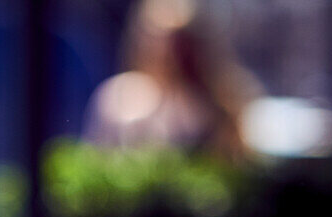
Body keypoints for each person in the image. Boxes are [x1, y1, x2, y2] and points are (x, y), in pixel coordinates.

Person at [83, 0, 255, 157]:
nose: (165, 51)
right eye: (155, 38)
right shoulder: (118, 97)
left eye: (175, 40)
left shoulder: (209, 107)